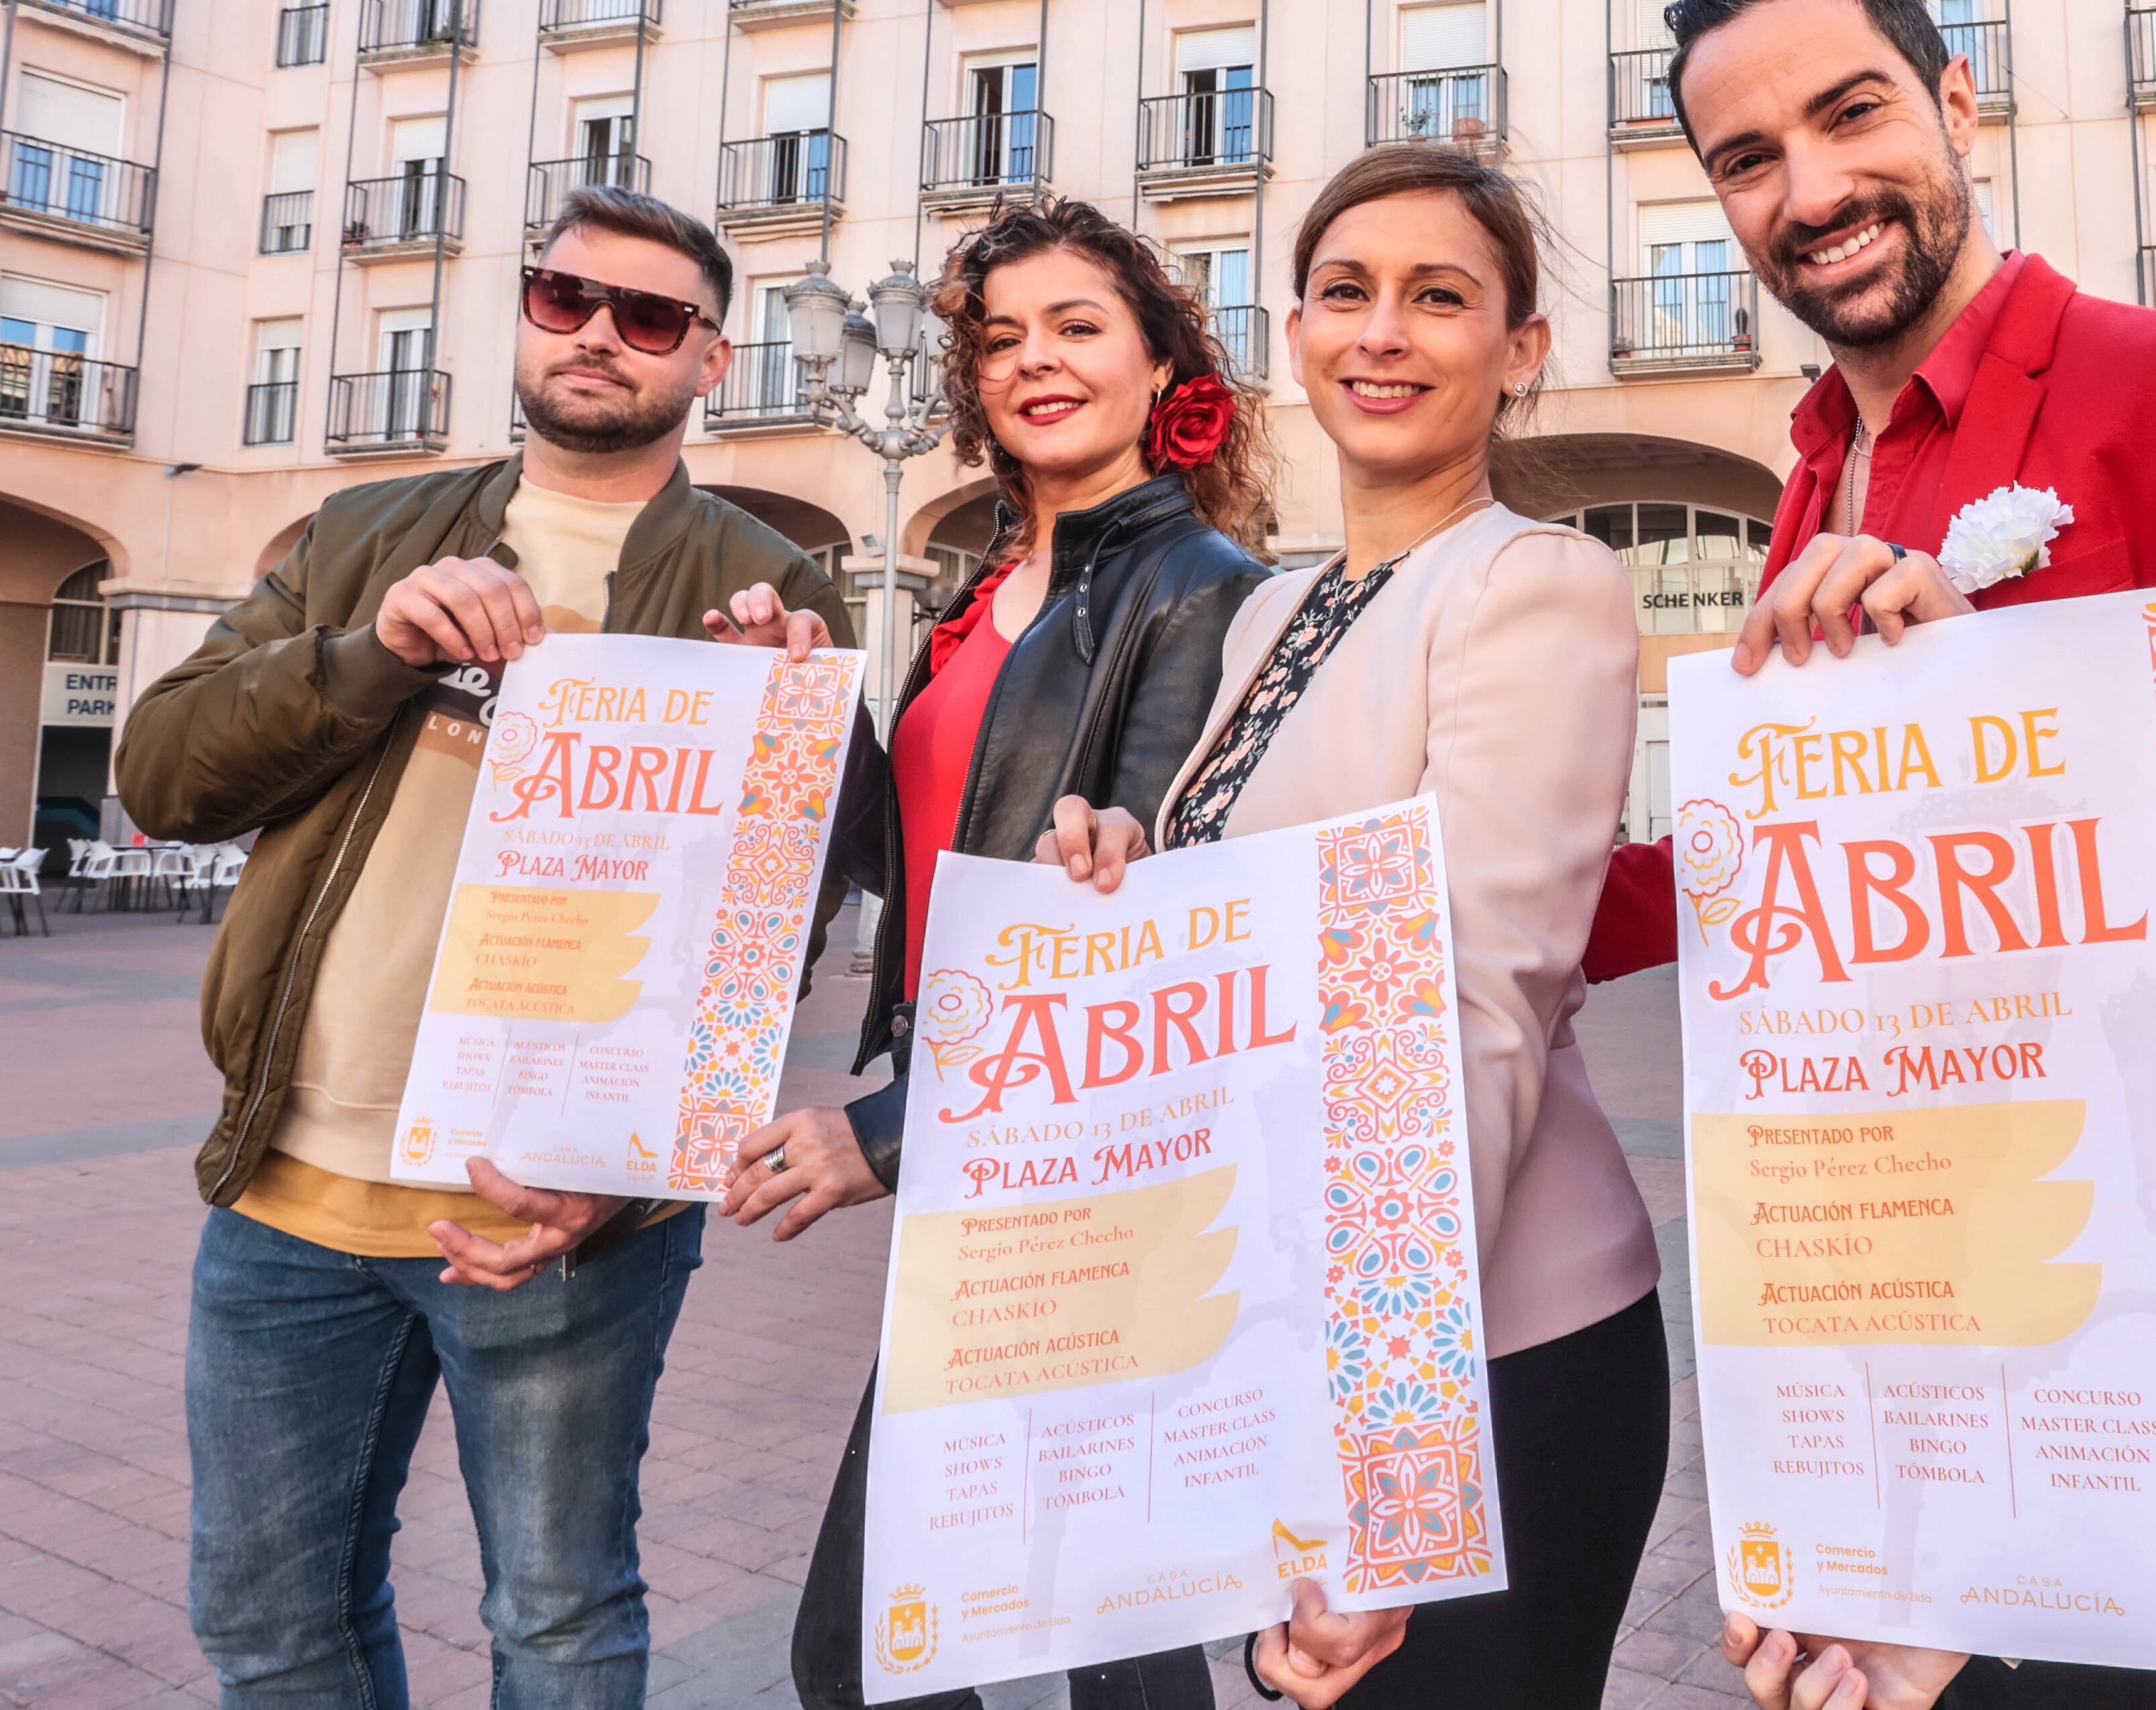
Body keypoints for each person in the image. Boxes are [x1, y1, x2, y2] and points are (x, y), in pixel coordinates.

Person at [120, 185, 858, 1710]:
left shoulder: (768, 579)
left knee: (561, 1615)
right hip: (286, 1192)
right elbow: (164, 772)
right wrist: (373, 651)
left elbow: (789, 915)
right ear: (525, 309)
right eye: (565, 295)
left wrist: (795, 746)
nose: (597, 333)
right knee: (267, 1617)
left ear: (709, 361)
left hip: (563, 1209)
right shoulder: (358, 535)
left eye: (649, 316)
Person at [1041, 144, 1666, 1709]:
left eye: (1437, 296)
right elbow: (1258, 906)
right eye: (1344, 291)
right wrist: (1137, 868)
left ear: (1519, 349)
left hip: (1485, 1347)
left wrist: (1381, 1453)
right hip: (1305, 1308)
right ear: (1296, 328)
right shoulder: (1276, 607)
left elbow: (1476, 999)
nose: (1380, 331)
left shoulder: (1534, 583)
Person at [716, 200, 1273, 1710]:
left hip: (1081, 1143)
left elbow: (1132, 923)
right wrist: (805, 713)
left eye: (1077, 326)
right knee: (1067, 1611)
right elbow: (893, 861)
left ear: (1163, 362)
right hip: (985, 1135)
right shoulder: (977, 594)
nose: (1033, 360)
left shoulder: (1195, 582)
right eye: (999, 336)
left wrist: (885, 1133)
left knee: (903, 1641)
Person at [1578, 0, 2156, 1005]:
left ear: (1958, 106)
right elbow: (1770, 856)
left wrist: (1983, 715)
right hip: (1876, 1145)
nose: (1811, 195)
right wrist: (1481, 904)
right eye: (1748, 161)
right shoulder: (1808, 475)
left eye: (1851, 113)